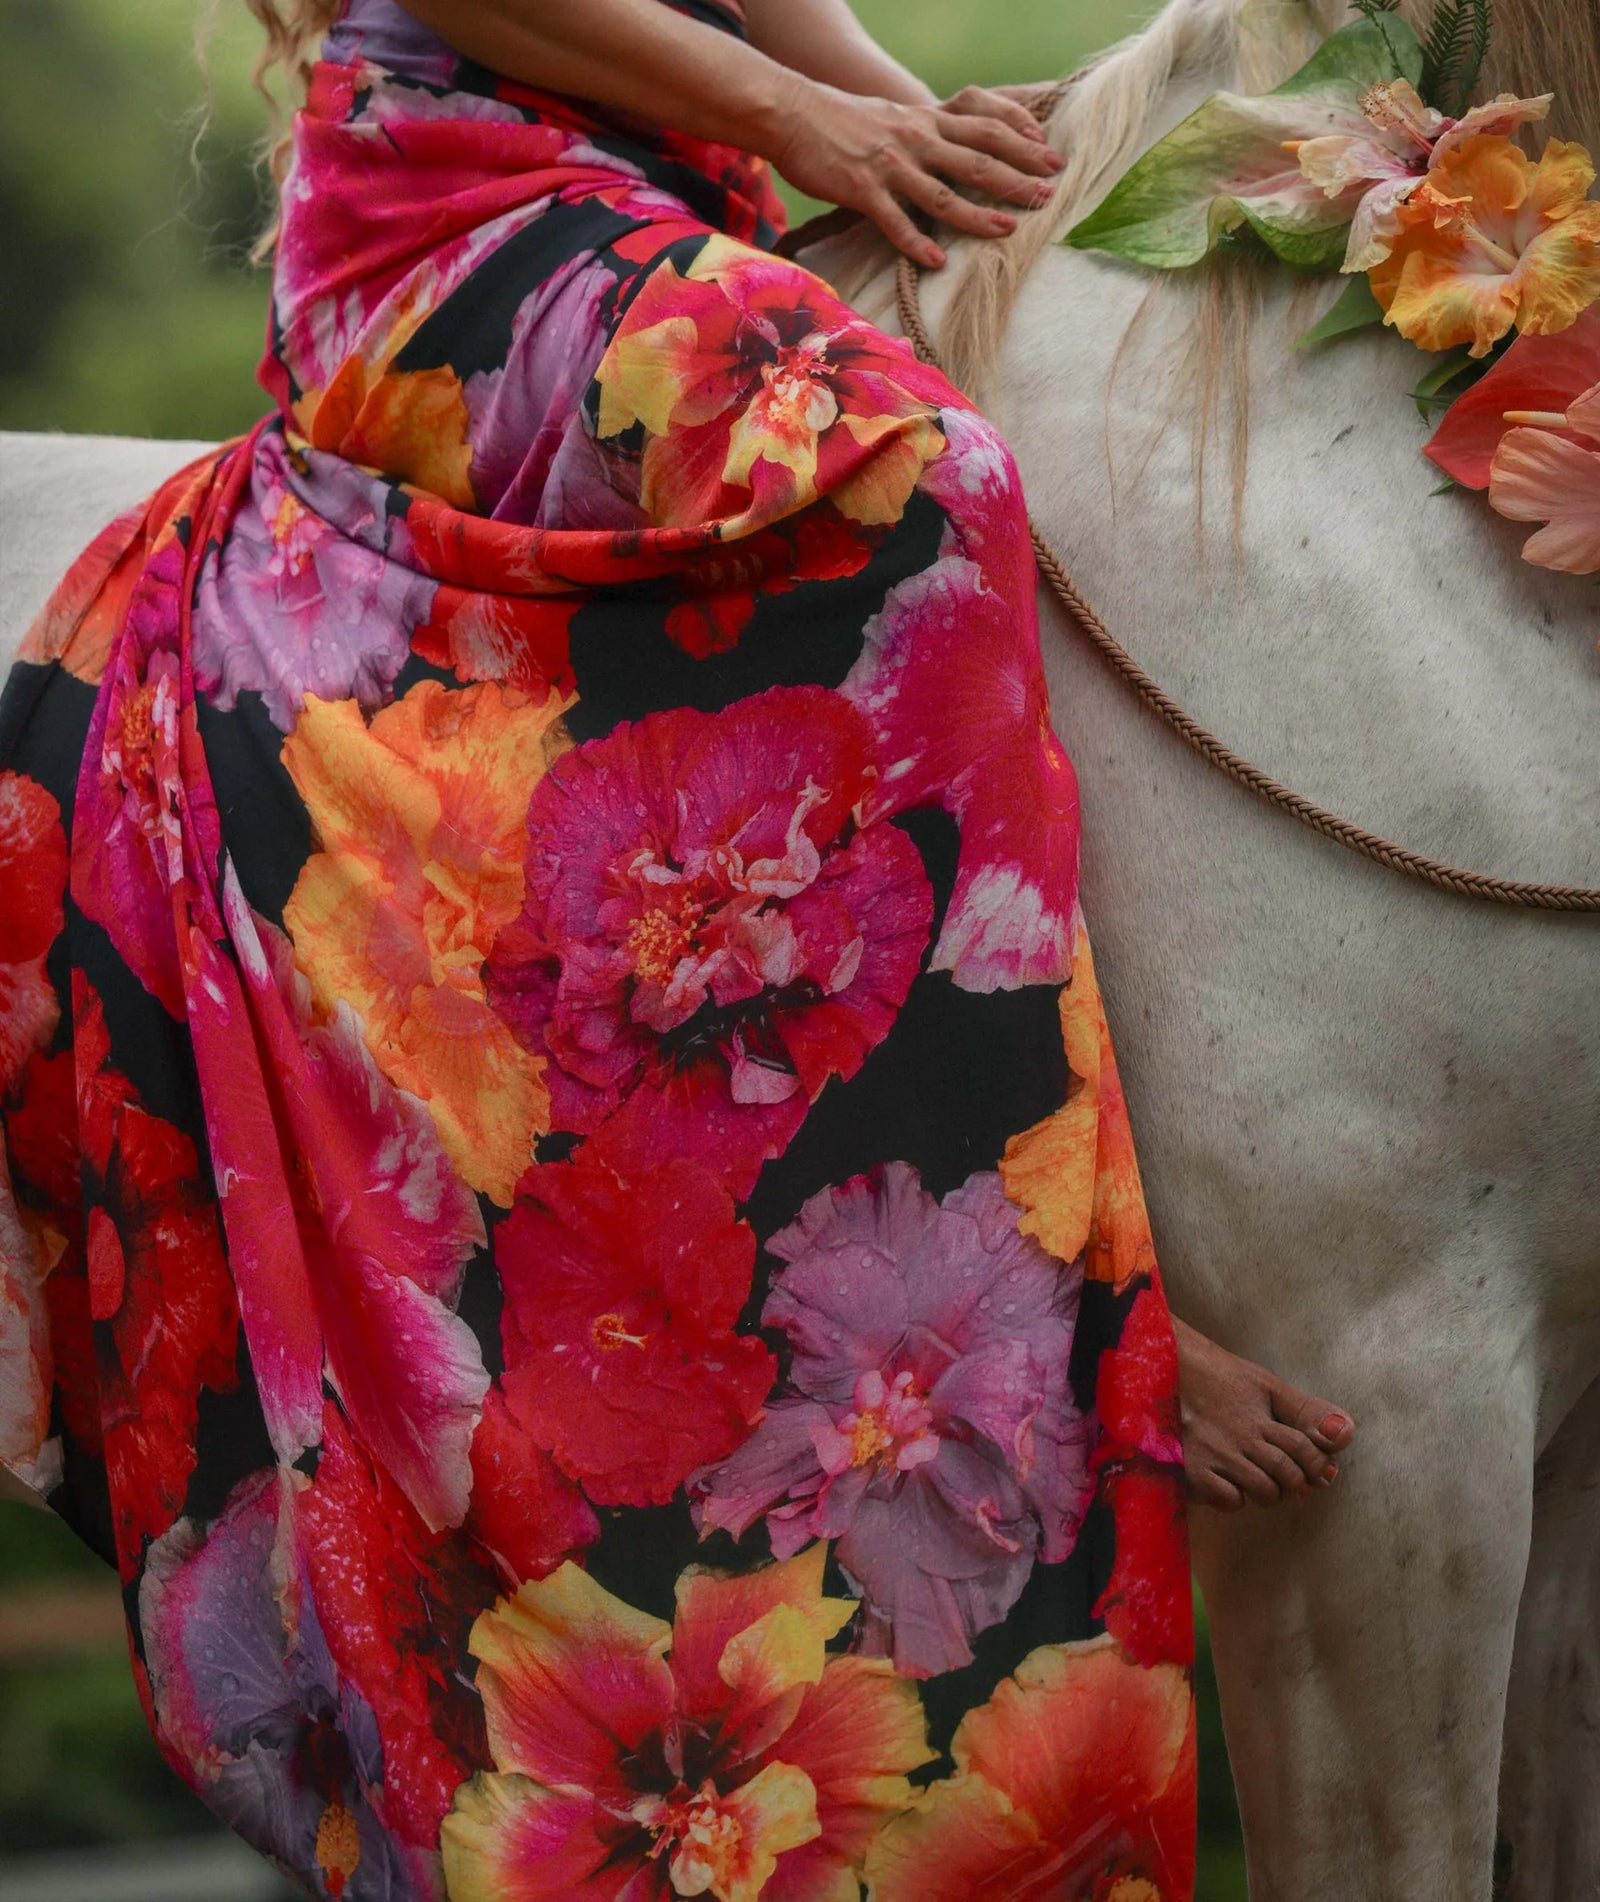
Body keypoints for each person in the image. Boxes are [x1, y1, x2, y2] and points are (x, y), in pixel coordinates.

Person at [0, 1, 1352, 1894]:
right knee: (921, 477)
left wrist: (928, 132)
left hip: (653, 169)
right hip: (452, 189)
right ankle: (1067, 1299)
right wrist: (816, 120)